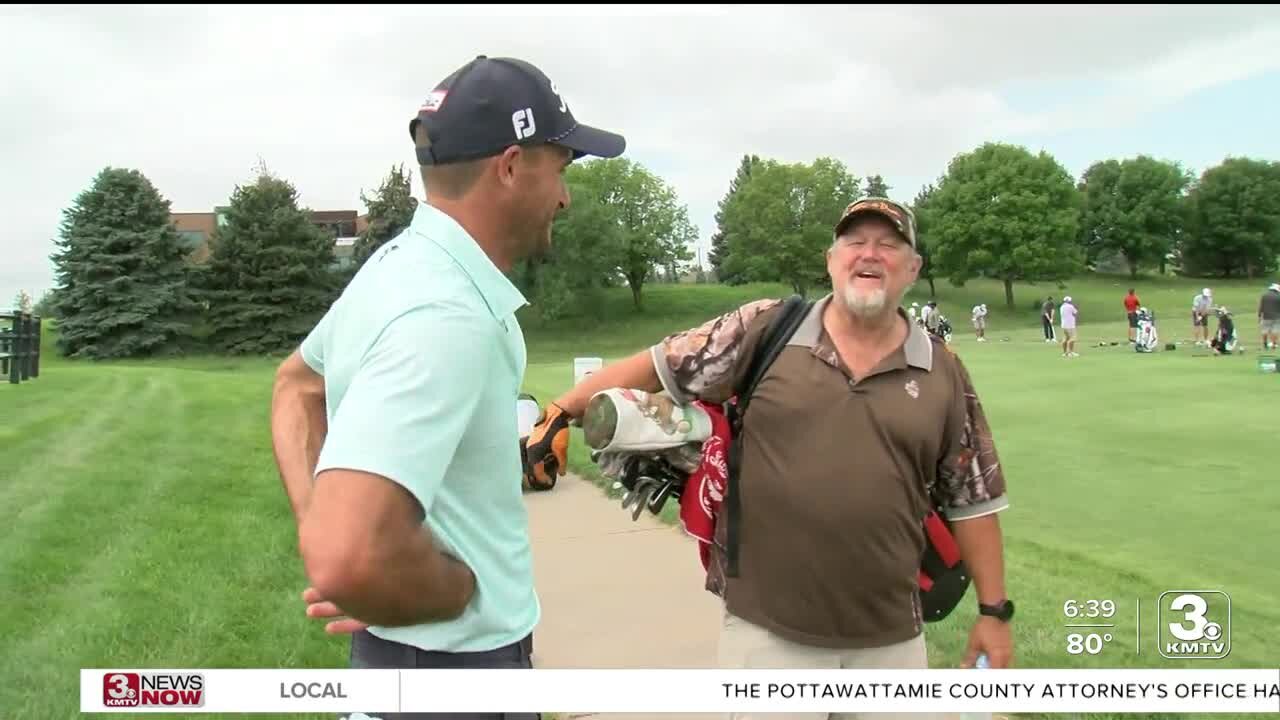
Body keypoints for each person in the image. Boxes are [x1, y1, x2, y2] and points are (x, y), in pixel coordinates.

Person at [524, 198, 1015, 716]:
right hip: (769, 638)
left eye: (889, 245)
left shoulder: (943, 370)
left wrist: (993, 612)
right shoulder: (767, 329)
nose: (869, 254)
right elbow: (656, 365)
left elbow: (974, 499)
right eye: (855, 241)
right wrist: (561, 409)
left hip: (891, 642)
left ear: (912, 270)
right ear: (831, 259)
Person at [268, 54, 625, 719]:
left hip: (404, 669)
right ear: (512, 167)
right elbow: (348, 557)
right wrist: (451, 589)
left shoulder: (401, 267)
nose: (566, 196)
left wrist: (316, 525)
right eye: (562, 168)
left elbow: (298, 388)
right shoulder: (445, 315)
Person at [1258, 282, 1280, 350]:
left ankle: (1265, 344)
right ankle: (1274, 345)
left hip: (1266, 316)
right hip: (1276, 317)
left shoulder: (1264, 296)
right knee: (1275, 331)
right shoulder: (1278, 296)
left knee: (1265, 331)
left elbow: (1261, 306)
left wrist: (1259, 316)